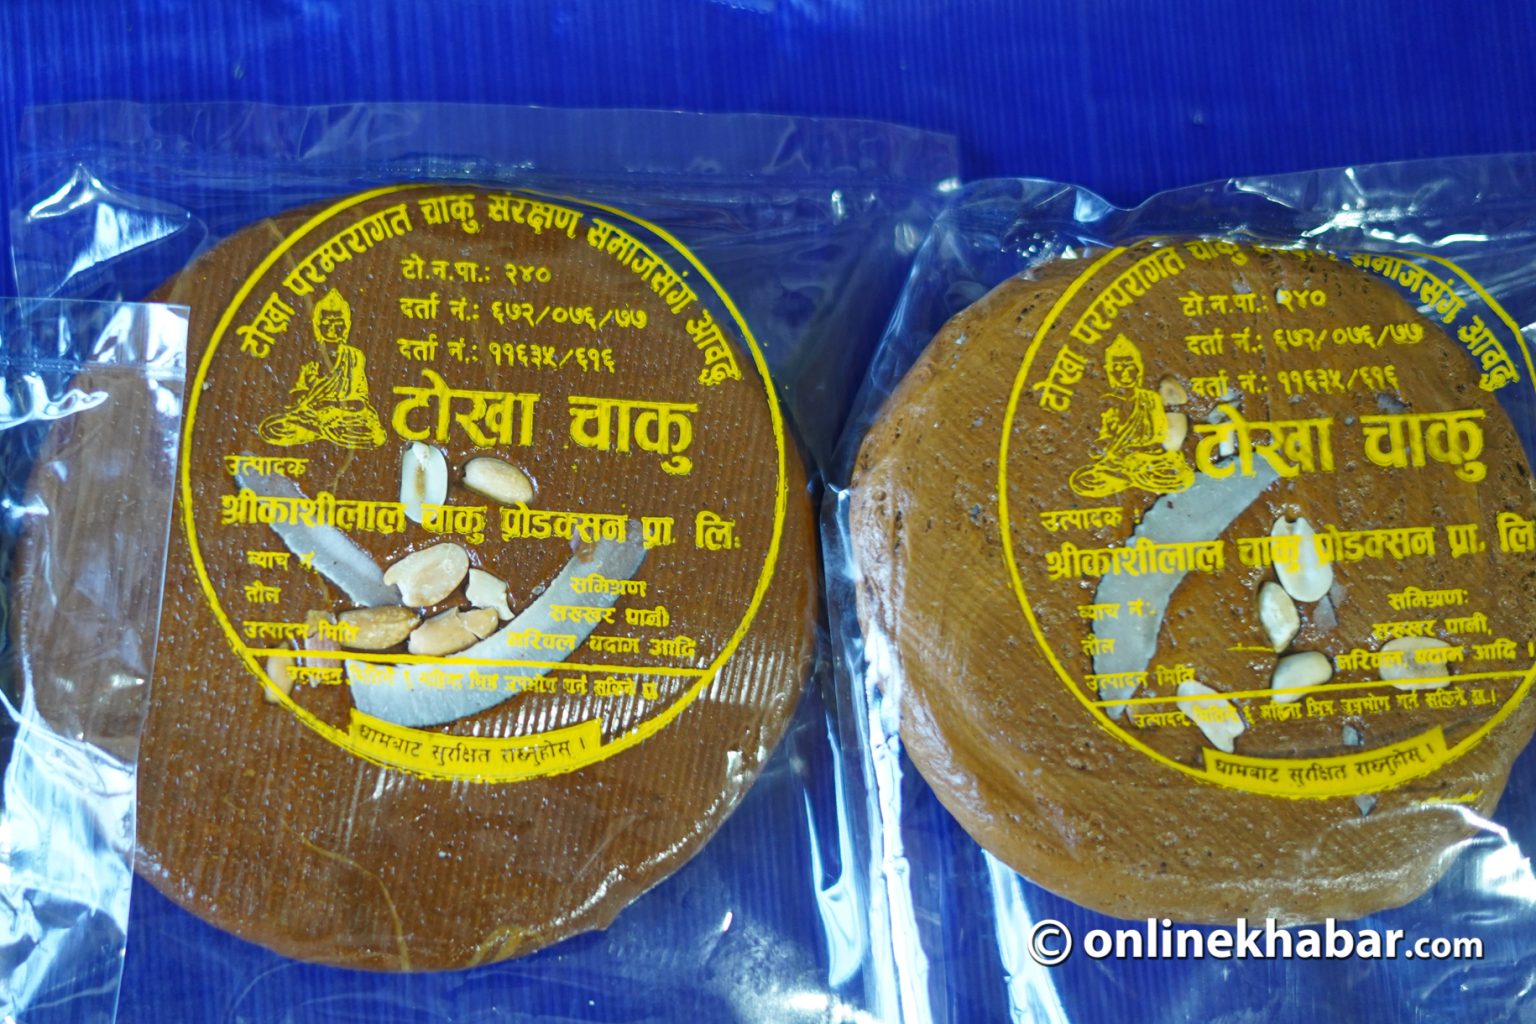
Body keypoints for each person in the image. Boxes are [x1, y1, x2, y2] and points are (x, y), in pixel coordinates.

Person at [258, 289, 387, 449]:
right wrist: (309, 389)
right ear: (318, 325)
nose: (332, 328)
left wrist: (329, 405)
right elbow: (295, 397)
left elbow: (359, 401)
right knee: (272, 428)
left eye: (338, 323)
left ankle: (323, 431)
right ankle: (325, 432)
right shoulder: (308, 356)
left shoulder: (354, 356)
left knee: (375, 434)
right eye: (327, 323)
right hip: (311, 417)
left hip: (345, 418)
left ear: (346, 326)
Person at [1068, 334, 1193, 498]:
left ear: (1138, 369)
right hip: (1117, 465)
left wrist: (1142, 456)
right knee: (1082, 481)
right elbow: (1097, 444)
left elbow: (1159, 437)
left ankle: (1130, 480)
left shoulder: (1151, 399)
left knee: (1181, 475)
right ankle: (1130, 479)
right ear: (1110, 371)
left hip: (1148, 462)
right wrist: (1107, 443)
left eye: (1129, 366)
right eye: (1118, 367)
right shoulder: (1105, 403)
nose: (1125, 373)